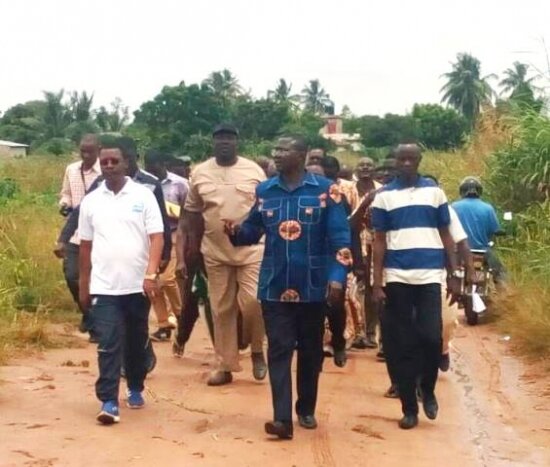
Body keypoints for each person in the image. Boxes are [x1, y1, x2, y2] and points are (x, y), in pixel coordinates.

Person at [223, 135, 351, 440]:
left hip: (313, 285)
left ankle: (305, 407)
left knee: (309, 351)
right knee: (279, 349)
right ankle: (282, 419)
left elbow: (341, 240)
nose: (276, 154)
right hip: (274, 284)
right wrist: (236, 232)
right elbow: (254, 230)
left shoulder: (326, 191)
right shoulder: (265, 190)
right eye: (275, 149)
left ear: (303, 155)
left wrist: (337, 277)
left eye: (284, 150)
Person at [371, 143, 460, 430]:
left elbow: (446, 234)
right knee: (402, 344)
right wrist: (376, 282)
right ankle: (409, 408)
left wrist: (454, 273)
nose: (407, 163)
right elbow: (379, 241)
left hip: (430, 276)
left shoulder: (434, 193)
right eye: (402, 159)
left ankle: (429, 389)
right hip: (397, 277)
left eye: (412, 159)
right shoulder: (383, 197)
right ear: (395, 161)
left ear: (419, 160)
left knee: (431, 337)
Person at [78, 140, 164, 425]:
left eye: (114, 161)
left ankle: (136, 386)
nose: (109, 166)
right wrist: (83, 284)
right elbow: (85, 247)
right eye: (105, 162)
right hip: (104, 286)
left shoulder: (143, 195)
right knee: (109, 343)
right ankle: (108, 401)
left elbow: (157, 237)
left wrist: (151, 274)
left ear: (126, 163)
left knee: (136, 339)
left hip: (137, 285)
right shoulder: (91, 201)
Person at [182, 123, 267, 386]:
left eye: (229, 138)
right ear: (213, 142)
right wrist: (191, 248)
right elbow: (193, 213)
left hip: (251, 249)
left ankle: (256, 349)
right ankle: (225, 365)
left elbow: (266, 209)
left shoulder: (254, 171)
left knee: (254, 302)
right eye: (219, 139)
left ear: (237, 142)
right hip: (215, 251)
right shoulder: (200, 173)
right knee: (221, 308)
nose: (224, 143)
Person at [54, 134, 102, 337]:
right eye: (83, 150)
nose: (86, 154)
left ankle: (97, 322)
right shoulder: (71, 170)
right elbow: (65, 193)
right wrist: (64, 204)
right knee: (72, 275)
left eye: (90, 151)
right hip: (75, 233)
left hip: (99, 235)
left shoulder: (105, 171)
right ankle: (89, 314)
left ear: (99, 150)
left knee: (97, 280)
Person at [144, 150, 189, 341]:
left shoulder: (180, 184)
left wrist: (171, 210)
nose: (152, 172)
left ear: (164, 165)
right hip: (150, 235)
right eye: (149, 169)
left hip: (174, 233)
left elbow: (190, 212)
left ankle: (181, 316)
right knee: (152, 281)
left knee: (168, 279)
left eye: (155, 168)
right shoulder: (143, 184)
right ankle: (163, 325)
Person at [320, 155, 360, 366]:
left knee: (335, 301)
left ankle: (338, 339)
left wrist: (356, 261)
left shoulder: (338, 199)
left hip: (334, 255)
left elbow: (350, 230)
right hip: (309, 257)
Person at [350, 157, 382, 350]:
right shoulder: (349, 190)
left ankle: (370, 333)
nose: (365, 168)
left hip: (374, 243)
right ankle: (355, 332)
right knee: (352, 291)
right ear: (356, 168)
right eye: (361, 165)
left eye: (369, 165)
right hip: (353, 241)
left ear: (374, 168)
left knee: (371, 291)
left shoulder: (381, 189)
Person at [451, 177, 505, 282]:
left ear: (462, 191)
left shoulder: (454, 206)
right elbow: (495, 230)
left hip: (459, 252)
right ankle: (504, 295)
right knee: (499, 272)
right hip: (483, 252)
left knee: (447, 270)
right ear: (479, 191)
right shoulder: (488, 208)